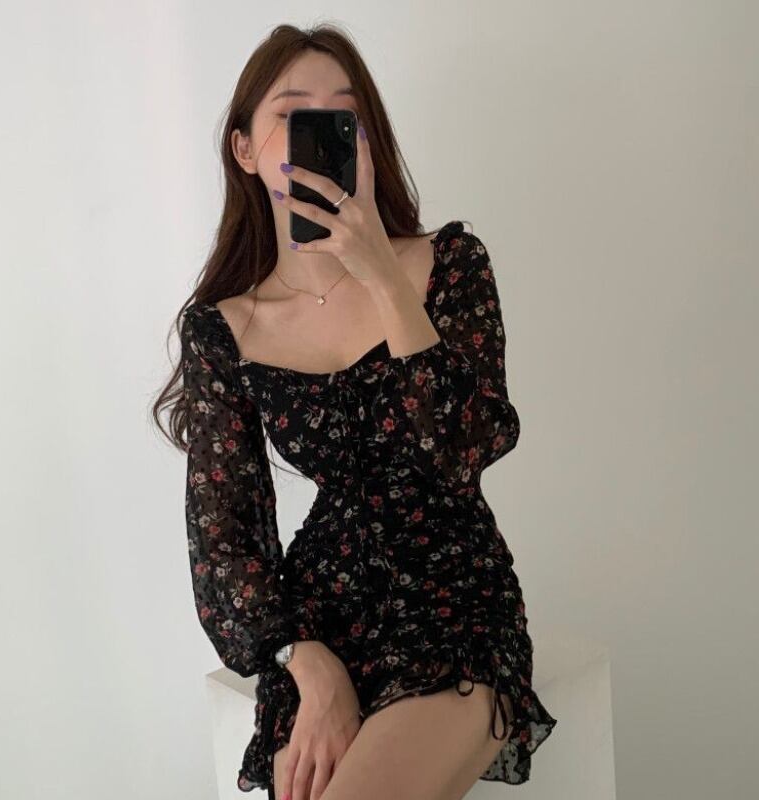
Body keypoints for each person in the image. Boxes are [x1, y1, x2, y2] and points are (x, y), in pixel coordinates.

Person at [153, 22, 557, 800]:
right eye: (293, 114)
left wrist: (381, 275)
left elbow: (468, 448)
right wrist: (306, 662)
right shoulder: (225, 327)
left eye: (343, 117)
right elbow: (223, 538)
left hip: (451, 594)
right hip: (321, 611)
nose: (321, 134)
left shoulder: (448, 264)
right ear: (245, 149)